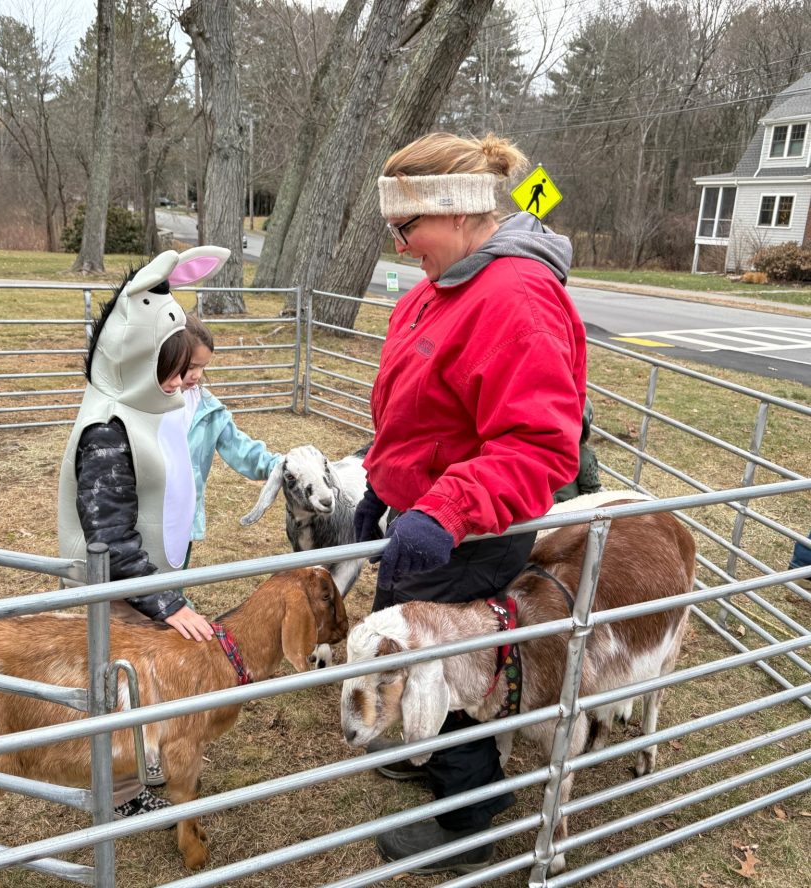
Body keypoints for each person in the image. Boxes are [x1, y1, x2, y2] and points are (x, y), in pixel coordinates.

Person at [353, 132, 587, 875]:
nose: (400, 243)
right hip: (423, 520)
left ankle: (469, 816)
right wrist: (379, 485)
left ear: (456, 213)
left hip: (471, 533)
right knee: (417, 653)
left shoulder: (515, 298)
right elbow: (417, 415)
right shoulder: (439, 288)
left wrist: (444, 511)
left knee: (453, 670)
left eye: (406, 226)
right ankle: (436, 763)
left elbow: (539, 446)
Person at [57, 248, 228, 818]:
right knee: (115, 687)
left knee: (138, 682)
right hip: (119, 591)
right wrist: (167, 600)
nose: (192, 382)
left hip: (144, 585)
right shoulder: (106, 428)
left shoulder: (147, 409)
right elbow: (108, 534)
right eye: (180, 370)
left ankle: (136, 769)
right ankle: (117, 795)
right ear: (138, 361)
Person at [181, 315, 282, 556]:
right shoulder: (150, 402)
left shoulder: (208, 410)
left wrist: (276, 465)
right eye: (191, 366)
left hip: (184, 516)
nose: (197, 375)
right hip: (148, 514)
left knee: (174, 576)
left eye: (203, 367)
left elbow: (239, 448)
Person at [552, 397, 603, 503]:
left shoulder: (583, 455)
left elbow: (591, 492)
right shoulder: (542, 447)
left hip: (568, 511)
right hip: (541, 509)